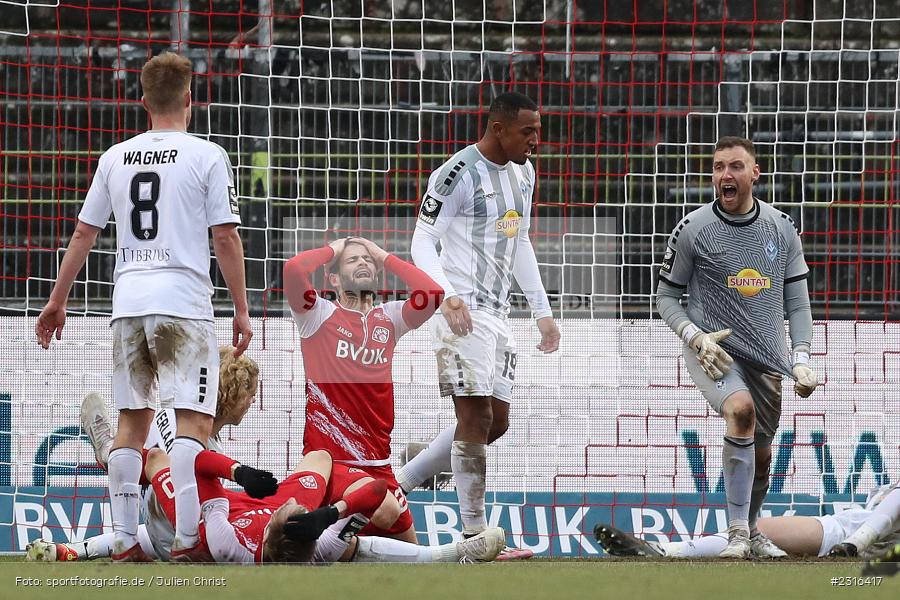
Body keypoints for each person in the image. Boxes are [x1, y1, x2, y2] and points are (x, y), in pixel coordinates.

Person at [34, 52, 253, 562]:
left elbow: (86, 231)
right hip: (182, 303)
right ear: (190, 100)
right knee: (192, 421)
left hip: (128, 303)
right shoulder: (207, 155)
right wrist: (241, 307)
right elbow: (225, 236)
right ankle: (188, 540)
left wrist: (57, 300)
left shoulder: (115, 157)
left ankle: (127, 538)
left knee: (132, 423)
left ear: (142, 102)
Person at [398, 91, 560, 558]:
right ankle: (474, 538)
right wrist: (445, 296)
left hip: (500, 313)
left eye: (538, 130)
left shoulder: (525, 173)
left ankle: (406, 476)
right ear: (498, 129)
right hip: (461, 310)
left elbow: (521, 241)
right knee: (476, 417)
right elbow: (422, 242)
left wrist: (542, 311)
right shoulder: (456, 174)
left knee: (498, 421)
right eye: (527, 131)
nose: (536, 140)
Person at [655, 136, 818, 559]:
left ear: (754, 174)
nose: (724, 175)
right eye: (717, 167)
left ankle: (752, 529)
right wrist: (694, 336)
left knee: (763, 455)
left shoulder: (781, 228)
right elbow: (666, 298)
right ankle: (736, 535)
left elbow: (797, 300)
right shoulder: (693, 229)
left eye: (735, 167)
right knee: (740, 411)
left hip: (767, 358)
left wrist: (800, 356)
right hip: (715, 352)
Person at [25, 346, 259, 562]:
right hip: (180, 533)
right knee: (214, 515)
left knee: (148, 527)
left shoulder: (170, 411)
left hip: (153, 516)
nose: (253, 400)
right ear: (232, 393)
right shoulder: (206, 450)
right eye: (250, 392)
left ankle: (74, 548)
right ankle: (110, 453)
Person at [283, 236, 443, 543]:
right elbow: (292, 269)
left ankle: (341, 545)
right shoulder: (317, 315)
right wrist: (334, 248)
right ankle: (327, 541)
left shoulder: (391, 318)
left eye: (367, 260)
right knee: (386, 510)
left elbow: (434, 294)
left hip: (379, 466)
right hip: (333, 464)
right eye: (352, 259)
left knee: (417, 563)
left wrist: (384, 256)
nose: (363, 262)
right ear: (333, 277)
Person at [194, 449, 506, 564]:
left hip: (225, 503)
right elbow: (377, 490)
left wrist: (239, 472)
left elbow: (201, 463)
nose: (290, 503)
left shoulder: (228, 544)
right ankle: (454, 554)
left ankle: (142, 539)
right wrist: (331, 513)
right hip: (321, 531)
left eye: (286, 509)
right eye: (298, 508)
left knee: (164, 466)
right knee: (354, 540)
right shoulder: (325, 546)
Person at [594, 482, 900, 560]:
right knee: (759, 532)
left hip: (857, 541)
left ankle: (854, 545)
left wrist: (855, 544)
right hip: (840, 529)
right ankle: (663, 551)